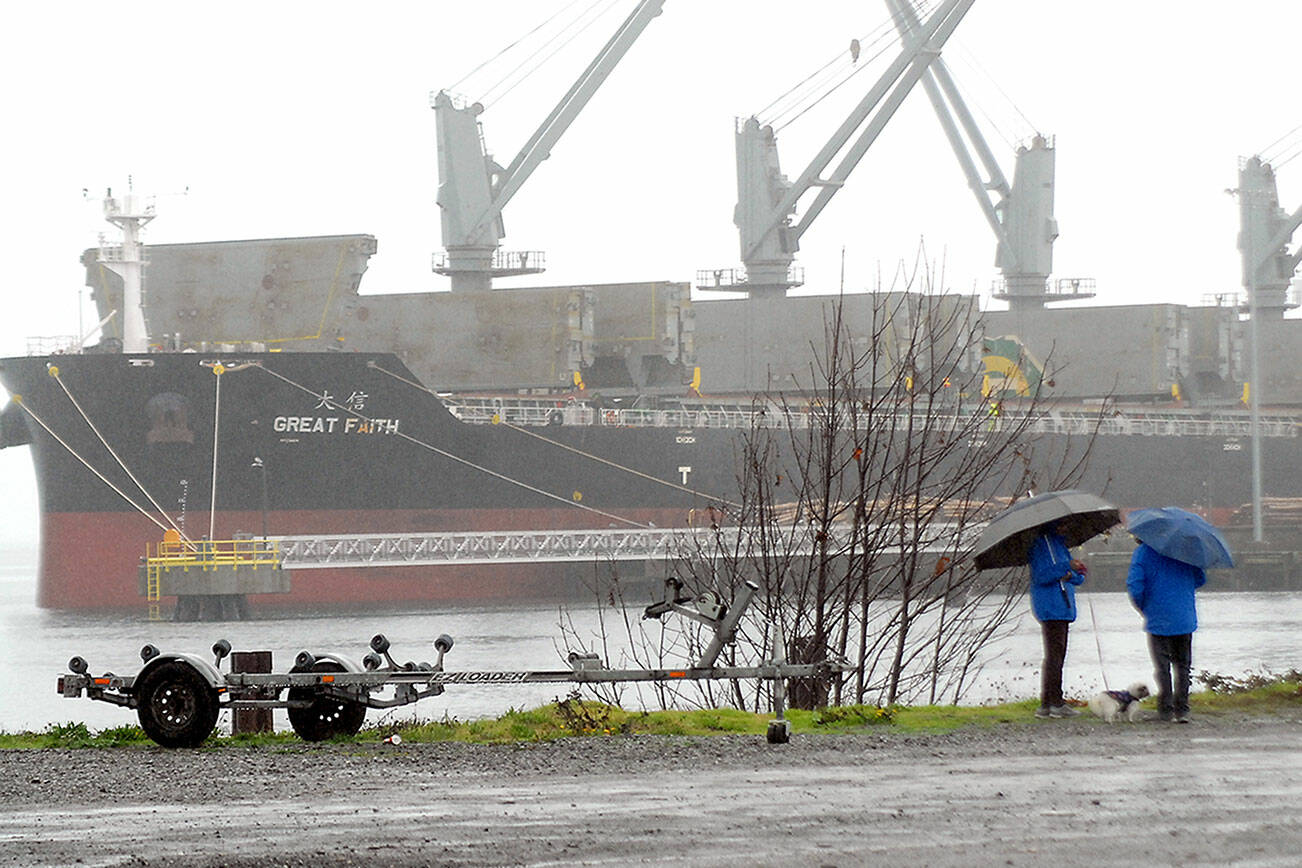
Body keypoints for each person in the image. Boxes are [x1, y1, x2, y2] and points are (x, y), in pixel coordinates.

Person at [1126, 541, 1206, 723]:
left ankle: (1165, 709)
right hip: (1184, 616)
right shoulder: (1185, 549)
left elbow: (1135, 586)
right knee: (1183, 666)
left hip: (1158, 616)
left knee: (1162, 667)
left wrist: (1144, 608)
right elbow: (1200, 578)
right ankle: (1183, 709)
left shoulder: (1143, 553)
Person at [1028, 522, 1087, 718]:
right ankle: (1054, 702)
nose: (1066, 528)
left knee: (1057, 656)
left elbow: (1076, 577)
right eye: (1062, 525)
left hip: (1063, 606)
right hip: (1051, 606)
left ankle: (1048, 703)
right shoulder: (1040, 545)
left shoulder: (1060, 546)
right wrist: (1066, 568)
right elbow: (1041, 575)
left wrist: (1074, 571)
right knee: (1054, 656)